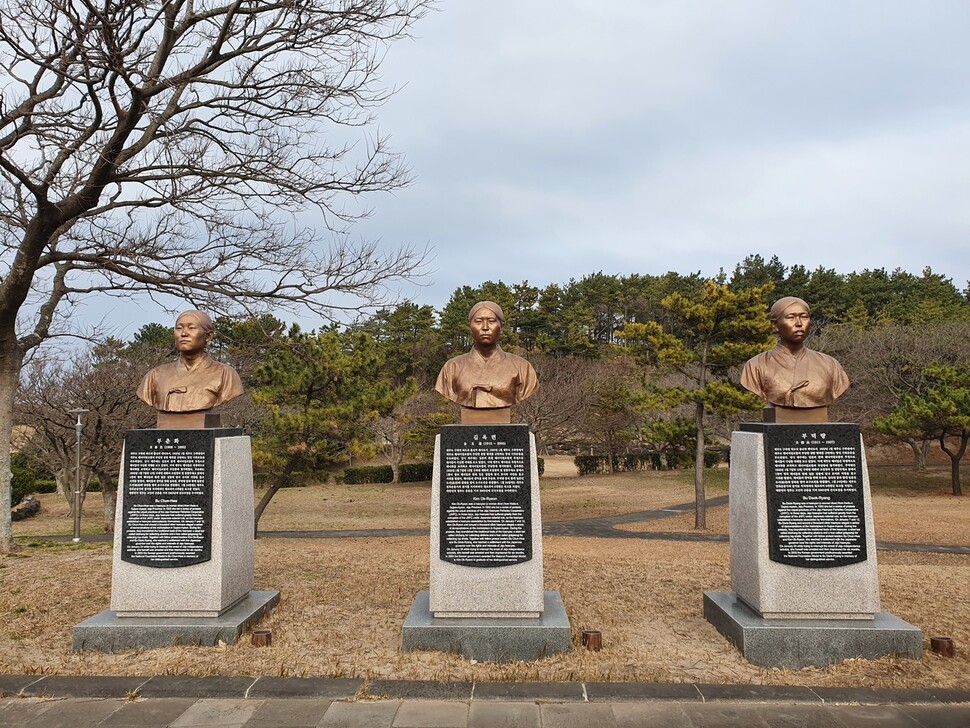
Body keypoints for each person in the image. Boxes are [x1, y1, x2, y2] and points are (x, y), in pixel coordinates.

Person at [740, 296, 849, 408]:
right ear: (775, 325)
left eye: (804, 317)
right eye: (791, 317)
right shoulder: (755, 366)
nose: (799, 323)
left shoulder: (830, 365)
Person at [435, 301, 538, 410]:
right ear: (470, 327)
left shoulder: (522, 367)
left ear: (502, 327)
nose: (485, 327)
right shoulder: (452, 367)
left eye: (491, 321)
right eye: (478, 322)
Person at [137, 310, 243, 413]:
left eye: (191, 328)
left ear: (208, 336)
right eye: (179, 328)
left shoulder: (225, 374)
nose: (184, 333)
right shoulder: (155, 375)